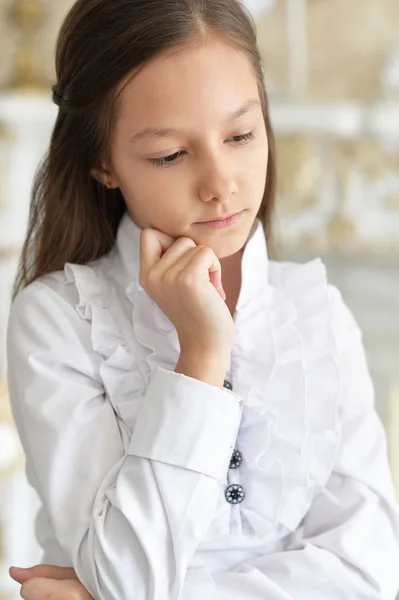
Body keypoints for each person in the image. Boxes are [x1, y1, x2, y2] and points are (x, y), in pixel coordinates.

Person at [6, 0, 399, 599]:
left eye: (240, 134)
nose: (221, 184)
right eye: (170, 154)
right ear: (102, 162)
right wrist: (202, 355)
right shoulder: (58, 318)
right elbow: (126, 575)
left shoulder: (317, 311)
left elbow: (373, 572)